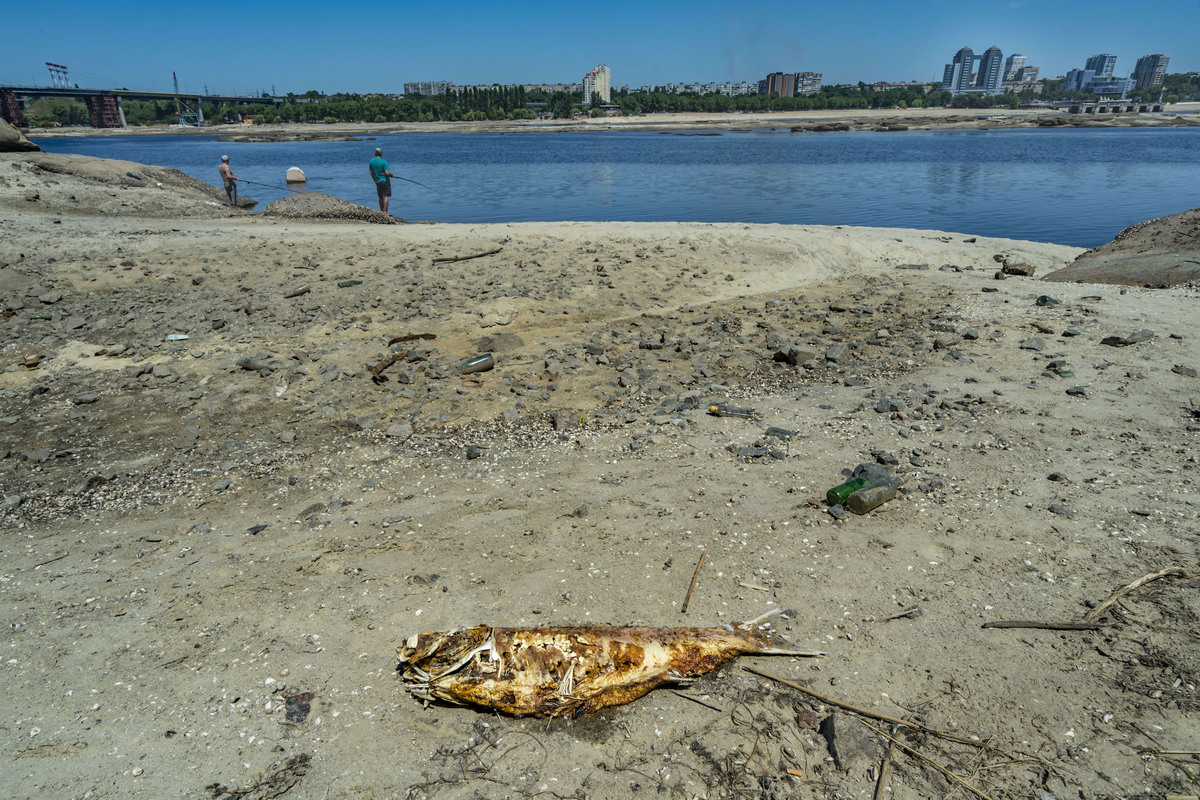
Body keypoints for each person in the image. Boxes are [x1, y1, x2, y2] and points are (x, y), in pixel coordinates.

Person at [368, 147, 395, 215]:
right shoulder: (384, 162)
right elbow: (387, 173)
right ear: (381, 154)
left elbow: (371, 173)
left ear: (375, 153)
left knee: (380, 197)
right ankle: (385, 212)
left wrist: (375, 180)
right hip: (385, 181)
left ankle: (381, 211)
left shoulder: (371, 162)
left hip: (378, 181)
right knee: (386, 196)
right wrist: (391, 175)